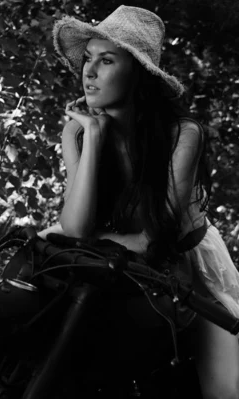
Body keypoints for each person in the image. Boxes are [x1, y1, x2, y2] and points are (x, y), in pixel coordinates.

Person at [41, 5, 239, 399]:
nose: (89, 71)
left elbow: (155, 239)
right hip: (115, 264)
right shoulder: (76, 133)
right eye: (88, 59)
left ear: (138, 75)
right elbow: (77, 226)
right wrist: (94, 138)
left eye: (107, 60)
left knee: (224, 392)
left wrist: (90, 242)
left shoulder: (183, 134)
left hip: (185, 270)